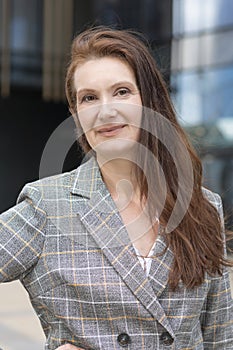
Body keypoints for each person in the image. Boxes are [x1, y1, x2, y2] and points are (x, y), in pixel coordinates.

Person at [0, 26, 233, 350]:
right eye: (89, 98)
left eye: (121, 91)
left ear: (149, 100)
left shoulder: (202, 207)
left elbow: (222, 338)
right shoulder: (46, 206)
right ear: (76, 114)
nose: (106, 110)